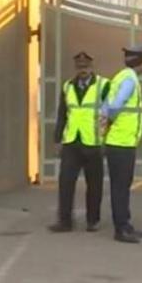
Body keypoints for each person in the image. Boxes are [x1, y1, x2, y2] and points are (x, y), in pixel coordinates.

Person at [50, 50, 107, 233]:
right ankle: (65, 221)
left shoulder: (103, 85)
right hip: (72, 142)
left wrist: (107, 139)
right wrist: (57, 139)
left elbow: (110, 113)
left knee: (95, 185)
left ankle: (93, 220)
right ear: (76, 67)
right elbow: (62, 115)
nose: (83, 70)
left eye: (86, 67)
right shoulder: (68, 86)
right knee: (65, 182)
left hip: (94, 142)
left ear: (92, 67)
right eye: (80, 67)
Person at [101, 44, 142, 243]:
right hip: (122, 141)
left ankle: (125, 224)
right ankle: (121, 228)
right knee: (121, 187)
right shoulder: (129, 79)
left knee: (122, 186)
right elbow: (114, 105)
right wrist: (110, 119)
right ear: (141, 62)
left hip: (120, 141)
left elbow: (105, 104)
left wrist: (106, 118)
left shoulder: (120, 76)